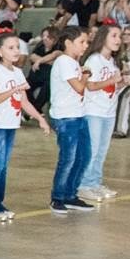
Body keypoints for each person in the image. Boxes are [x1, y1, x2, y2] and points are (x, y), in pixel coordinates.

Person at [0, 32, 51, 220]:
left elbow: (24, 101)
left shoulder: (18, 72)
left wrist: (40, 118)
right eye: (10, 48)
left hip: (10, 124)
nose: (16, 51)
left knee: (3, 166)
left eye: (17, 47)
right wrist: (13, 90)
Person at [78, 25, 130, 202]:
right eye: (114, 36)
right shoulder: (94, 60)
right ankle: (83, 185)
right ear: (103, 38)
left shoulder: (112, 62)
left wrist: (122, 83)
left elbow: (111, 88)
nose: (118, 40)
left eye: (120, 36)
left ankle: (95, 183)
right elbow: (90, 86)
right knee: (91, 150)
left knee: (102, 150)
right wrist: (112, 80)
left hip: (108, 111)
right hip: (93, 111)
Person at [47, 27, 95, 215]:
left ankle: (70, 194)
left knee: (84, 156)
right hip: (66, 117)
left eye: (87, 42)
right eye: (81, 42)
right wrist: (86, 74)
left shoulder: (73, 62)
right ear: (68, 43)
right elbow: (79, 88)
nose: (85, 45)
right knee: (68, 158)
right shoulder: (64, 61)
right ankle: (58, 197)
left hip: (78, 114)